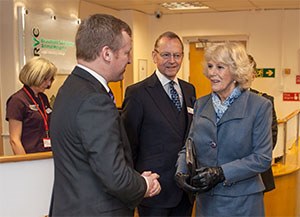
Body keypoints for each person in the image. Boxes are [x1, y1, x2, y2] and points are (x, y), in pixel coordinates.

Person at [49, 14, 161, 217]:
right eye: (126, 53)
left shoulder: (69, 88)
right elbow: (114, 176)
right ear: (107, 53)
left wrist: (134, 179)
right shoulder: (95, 100)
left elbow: (94, 162)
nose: (129, 60)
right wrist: (144, 184)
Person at [175, 42, 273, 217]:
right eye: (210, 66)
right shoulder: (201, 103)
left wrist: (221, 173)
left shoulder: (259, 106)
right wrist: (181, 171)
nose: (212, 73)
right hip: (207, 202)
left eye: (220, 67)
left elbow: (262, 158)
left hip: (243, 203)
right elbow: (188, 147)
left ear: (236, 72)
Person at [121, 31, 196, 216]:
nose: (172, 60)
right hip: (155, 190)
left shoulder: (189, 90)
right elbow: (128, 144)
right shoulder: (138, 93)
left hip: (185, 189)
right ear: (154, 56)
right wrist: (135, 184)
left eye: (177, 55)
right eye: (166, 55)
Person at [6, 57, 57, 155]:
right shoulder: (17, 101)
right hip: (31, 157)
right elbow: (14, 140)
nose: (49, 83)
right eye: (45, 79)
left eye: (50, 79)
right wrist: (25, 164)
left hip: (47, 154)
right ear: (34, 76)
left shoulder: (43, 98)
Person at [248, 54, 278, 192]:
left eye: (247, 71)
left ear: (254, 75)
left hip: (256, 172)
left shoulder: (264, 101)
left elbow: (272, 135)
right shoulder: (220, 101)